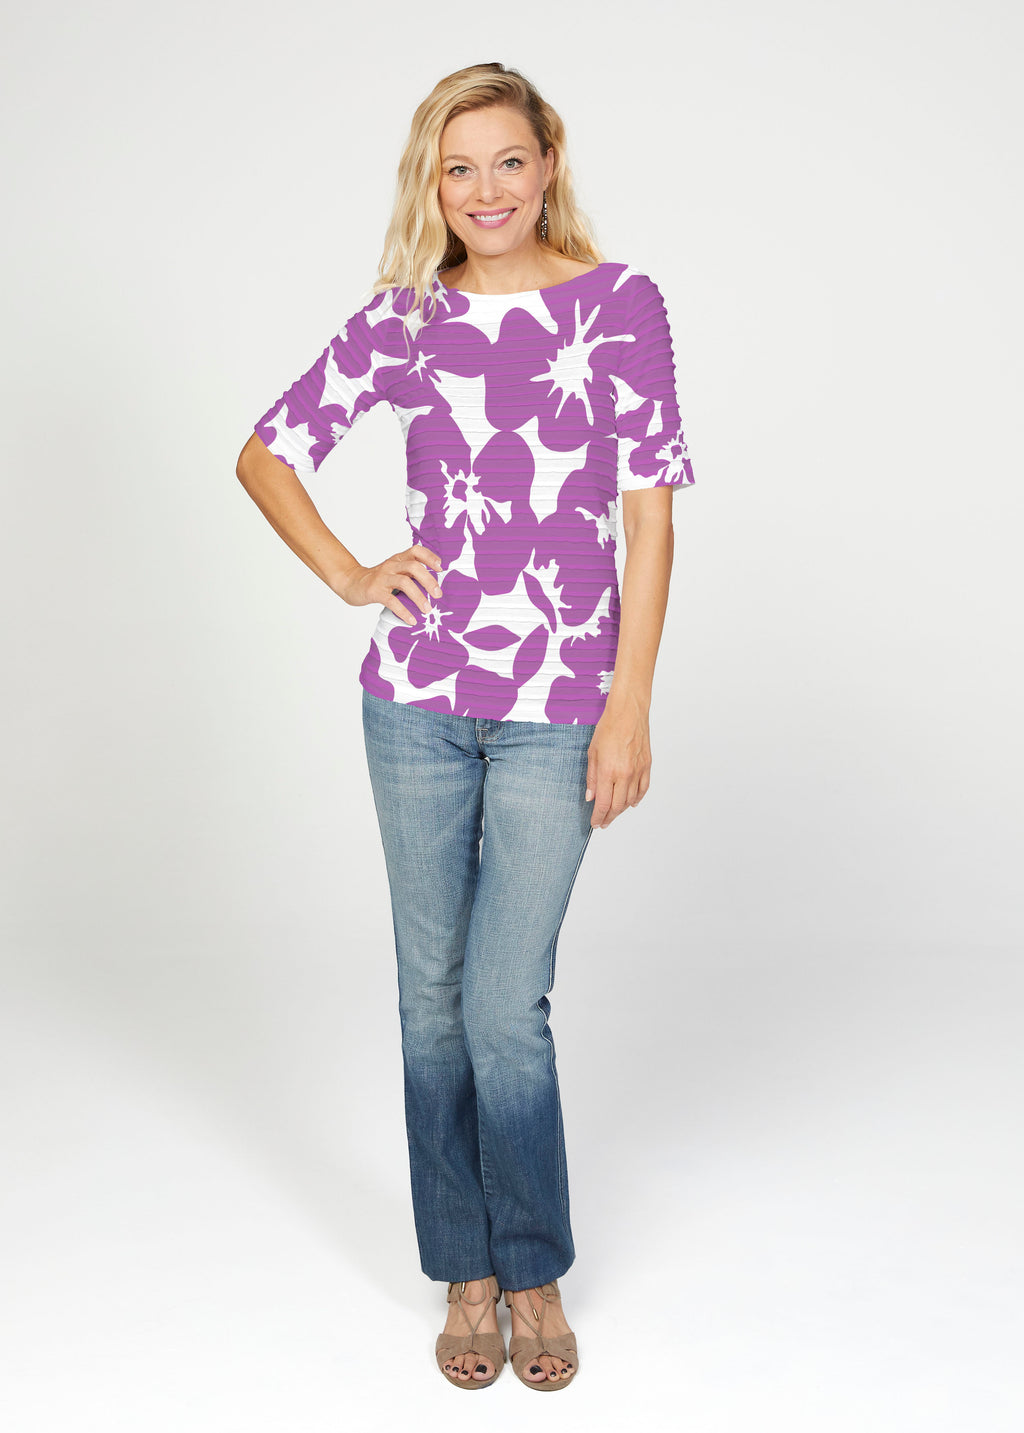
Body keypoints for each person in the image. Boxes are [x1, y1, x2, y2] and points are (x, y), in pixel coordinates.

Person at [235, 60, 695, 1392]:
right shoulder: (407, 320)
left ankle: (533, 1263)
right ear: (430, 185)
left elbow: (651, 519)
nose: (485, 189)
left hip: (561, 707)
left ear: (547, 164)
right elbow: (267, 451)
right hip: (417, 704)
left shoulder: (619, 305)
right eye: (458, 168)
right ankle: (466, 1267)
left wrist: (629, 701)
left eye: (507, 161)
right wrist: (351, 573)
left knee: (505, 1002)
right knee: (431, 1001)